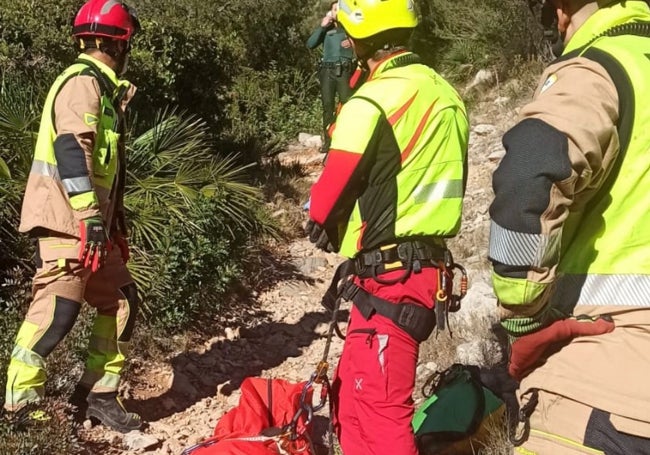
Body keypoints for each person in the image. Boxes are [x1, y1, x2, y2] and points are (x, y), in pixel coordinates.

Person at [306, 0, 469, 453]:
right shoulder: (444, 92)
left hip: (391, 278)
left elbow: (324, 202)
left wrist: (323, 218)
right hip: (421, 271)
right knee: (352, 401)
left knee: (377, 411)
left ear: (357, 40)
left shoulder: (372, 100)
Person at [488, 0, 650, 453]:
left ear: (560, 9)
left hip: (611, 387)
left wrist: (524, 322)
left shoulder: (602, 68)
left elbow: (527, 178)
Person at [4, 0, 142, 433]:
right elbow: (70, 151)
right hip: (68, 220)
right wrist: (91, 219)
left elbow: (105, 167)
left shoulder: (103, 87)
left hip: (91, 223)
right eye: (126, 44)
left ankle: (98, 394)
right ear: (115, 43)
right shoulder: (83, 83)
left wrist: (112, 225)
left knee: (121, 300)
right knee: (58, 310)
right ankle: (21, 407)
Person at [306, 1, 355, 153]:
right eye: (334, 9)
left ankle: (349, 140)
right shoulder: (325, 30)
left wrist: (353, 42)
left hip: (344, 70)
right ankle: (328, 142)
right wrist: (322, 26)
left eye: (338, 9)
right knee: (328, 107)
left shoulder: (350, 29)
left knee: (347, 105)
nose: (336, 11)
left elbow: (365, 44)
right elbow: (310, 44)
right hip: (327, 71)